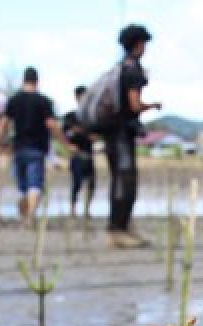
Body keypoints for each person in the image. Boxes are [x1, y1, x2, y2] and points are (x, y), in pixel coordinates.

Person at [0, 66, 71, 226]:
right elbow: (52, 124)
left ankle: (25, 212)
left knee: (23, 186)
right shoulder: (43, 101)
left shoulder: (14, 100)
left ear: (23, 80)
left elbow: (3, 124)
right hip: (36, 148)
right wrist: (66, 144)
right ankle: (30, 216)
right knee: (35, 184)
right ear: (37, 81)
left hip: (19, 148)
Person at [105, 24, 161, 247]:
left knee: (119, 180)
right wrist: (152, 106)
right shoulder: (132, 71)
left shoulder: (118, 68)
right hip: (121, 135)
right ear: (139, 44)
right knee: (125, 181)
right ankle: (118, 229)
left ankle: (122, 227)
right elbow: (134, 104)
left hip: (112, 134)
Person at [64, 86, 96, 217]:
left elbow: (95, 135)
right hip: (77, 155)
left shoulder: (92, 116)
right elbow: (67, 133)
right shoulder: (71, 116)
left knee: (91, 183)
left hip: (88, 154)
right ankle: (73, 209)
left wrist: (82, 132)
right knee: (76, 183)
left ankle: (87, 209)